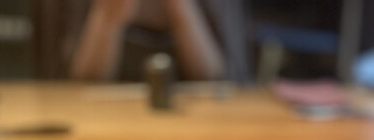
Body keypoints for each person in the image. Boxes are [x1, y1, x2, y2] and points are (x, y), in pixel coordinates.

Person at [70, 0, 248, 82]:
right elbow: (81, 84)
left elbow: (215, 80)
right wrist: (106, 20)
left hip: (193, 126)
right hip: (105, 124)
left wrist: (181, 10)